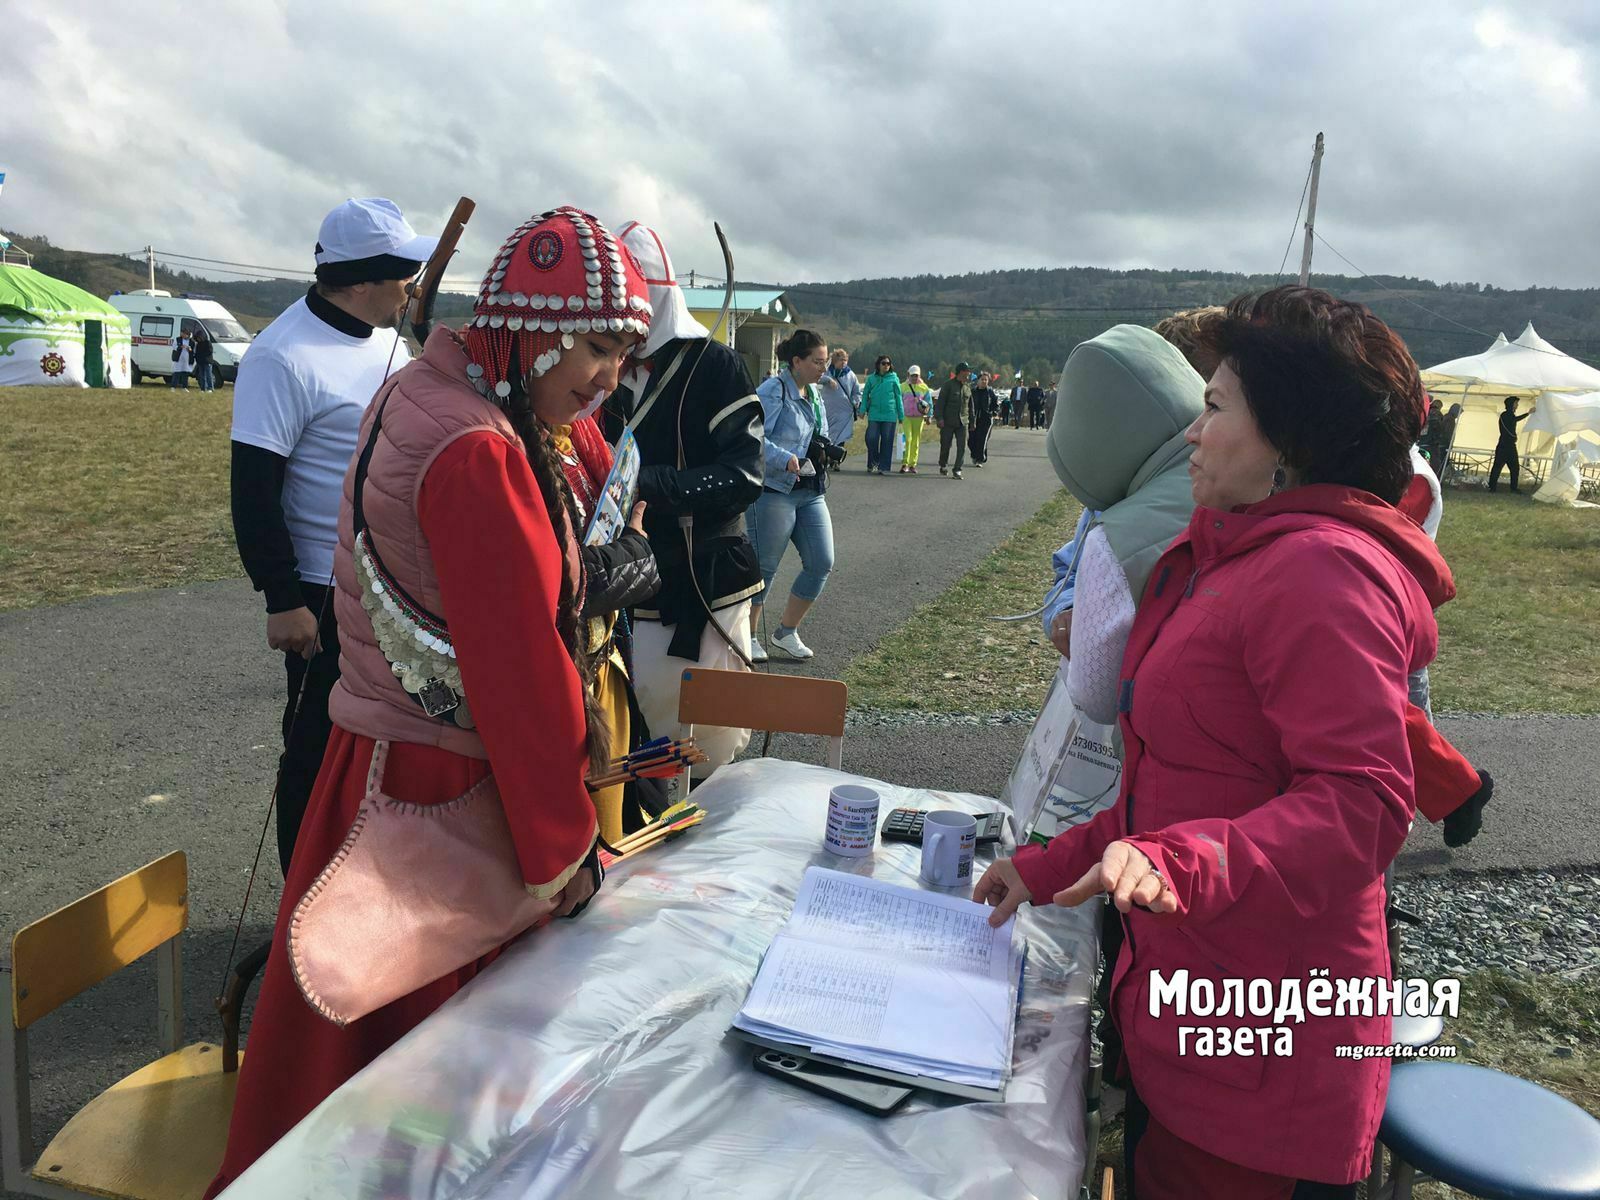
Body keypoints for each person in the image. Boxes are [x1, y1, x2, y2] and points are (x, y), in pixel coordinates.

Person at [205, 206, 651, 1196]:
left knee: (346, 1083)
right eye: (596, 346)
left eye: (625, 352)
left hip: (381, 767)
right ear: (533, 329)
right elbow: (521, 679)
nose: (608, 378)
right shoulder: (479, 447)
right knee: (424, 1100)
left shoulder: (434, 391)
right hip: (436, 793)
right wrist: (563, 849)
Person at [978, 286, 1453, 1198]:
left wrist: (1177, 865)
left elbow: (1364, 807)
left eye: (1214, 408)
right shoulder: (1235, 557)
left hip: (1264, 1073)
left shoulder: (1322, 573)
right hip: (1195, 1025)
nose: (1193, 435)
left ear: (1287, 439)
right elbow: (1179, 788)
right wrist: (1048, 864)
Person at [231, 196, 434, 874]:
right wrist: (280, 596)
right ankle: (302, 898)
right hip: (320, 588)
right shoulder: (281, 355)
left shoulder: (391, 339)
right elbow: (254, 486)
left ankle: (367, 881)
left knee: (383, 742)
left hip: (388, 581)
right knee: (316, 745)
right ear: (365, 278)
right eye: (404, 270)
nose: (412, 284)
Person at [607, 220, 765, 773]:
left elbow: (744, 477)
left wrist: (641, 484)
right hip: (615, 585)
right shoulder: (602, 369)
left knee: (704, 749)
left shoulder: (716, 366)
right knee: (625, 740)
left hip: (702, 584)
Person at [748, 330, 837, 660]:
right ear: (796, 361)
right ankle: (748, 634)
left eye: (825, 362)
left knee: (821, 562)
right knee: (764, 566)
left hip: (810, 490)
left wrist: (827, 449)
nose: (822, 368)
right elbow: (754, 436)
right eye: (817, 361)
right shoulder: (773, 390)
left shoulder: (813, 393)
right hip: (775, 490)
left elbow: (821, 433)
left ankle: (786, 632)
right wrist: (784, 459)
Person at [860, 353, 904, 475]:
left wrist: (901, 415)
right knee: (871, 438)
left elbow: (898, 397)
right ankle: (873, 461)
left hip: (890, 414)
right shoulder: (871, 379)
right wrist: (862, 410)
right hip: (874, 413)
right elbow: (865, 395)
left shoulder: (894, 378)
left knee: (887, 441)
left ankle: (884, 467)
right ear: (878, 365)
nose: (886, 366)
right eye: (883, 363)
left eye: (888, 364)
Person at [934, 360, 971, 477]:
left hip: (962, 422)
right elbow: (940, 404)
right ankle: (943, 464)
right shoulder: (948, 385)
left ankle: (957, 469)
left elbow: (970, 406)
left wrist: (973, 421)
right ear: (961, 372)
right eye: (967, 372)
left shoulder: (967, 387)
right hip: (948, 421)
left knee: (962, 446)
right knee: (945, 445)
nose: (968, 375)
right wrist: (939, 418)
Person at [1489, 395, 1532, 492]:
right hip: (1505, 446)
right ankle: (1493, 487)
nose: (1517, 405)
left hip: (1508, 445)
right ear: (1511, 404)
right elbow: (1514, 420)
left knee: (1513, 468)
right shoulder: (1506, 415)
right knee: (1498, 467)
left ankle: (1511, 488)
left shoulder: (1509, 415)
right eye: (1516, 403)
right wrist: (1528, 413)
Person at [821, 347, 862, 447]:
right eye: (841, 360)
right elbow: (817, 378)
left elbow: (857, 392)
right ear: (835, 360)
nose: (843, 362)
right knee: (826, 437)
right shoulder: (827, 372)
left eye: (845, 360)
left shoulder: (851, 375)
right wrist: (828, 380)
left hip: (844, 413)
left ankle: (836, 460)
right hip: (828, 411)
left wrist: (856, 401)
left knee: (841, 438)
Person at [899, 363, 932, 473]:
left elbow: (929, 403)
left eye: (916, 375)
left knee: (915, 441)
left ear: (919, 375)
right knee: (907, 439)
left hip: (919, 417)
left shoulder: (924, 387)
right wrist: (898, 414)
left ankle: (913, 464)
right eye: (912, 375)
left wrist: (929, 416)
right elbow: (898, 402)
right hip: (906, 417)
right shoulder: (902, 386)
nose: (914, 377)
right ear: (908, 375)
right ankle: (905, 463)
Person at [968, 370, 996, 465]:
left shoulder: (990, 392)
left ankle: (980, 459)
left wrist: (993, 412)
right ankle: (974, 455)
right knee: (971, 440)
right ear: (978, 380)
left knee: (982, 439)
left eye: (986, 380)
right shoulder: (973, 391)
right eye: (982, 379)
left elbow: (995, 404)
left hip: (986, 419)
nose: (984, 381)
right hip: (974, 419)